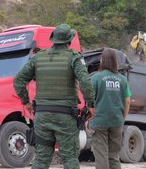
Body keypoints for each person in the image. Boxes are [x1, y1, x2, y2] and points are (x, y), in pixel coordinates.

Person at [13, 24, 95, 169]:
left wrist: (25, 101)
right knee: (70, 159)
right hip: (66, 117)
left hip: (42, 116)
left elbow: (19, 80)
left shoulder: (38, 57)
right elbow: (86, 82)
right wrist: (91, 105)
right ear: (69, 40)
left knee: (41, 160)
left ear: (54, 40)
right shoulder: (74, 57)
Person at [89, 48, 131, 169]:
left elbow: (90, 100)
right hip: (116, 121)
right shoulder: (123, 80)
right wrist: (123, 118)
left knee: (101, 155)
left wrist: (91, 115)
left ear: (102, 60)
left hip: (99, 121)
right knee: (114, 156)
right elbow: (127, 101)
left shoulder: (95, 78)